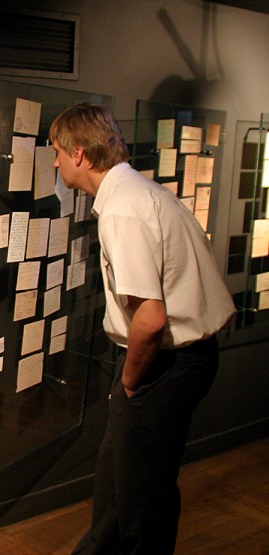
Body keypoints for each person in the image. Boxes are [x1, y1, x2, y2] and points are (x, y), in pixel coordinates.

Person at [49, 103, 236, 554]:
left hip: (163, 366)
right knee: (122, 485)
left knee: (140, 501)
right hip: (179, 361)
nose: (55, 163)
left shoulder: (123, 210)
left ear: (79, 154)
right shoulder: (142, 192)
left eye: (56, 152)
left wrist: (130, 382)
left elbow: (150, 320)